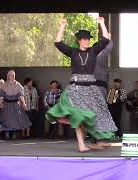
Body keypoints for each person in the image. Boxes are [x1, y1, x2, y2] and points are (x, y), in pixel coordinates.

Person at [46, 17, 117, 152]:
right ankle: (81, 144)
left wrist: (102, 23)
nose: (87, 41)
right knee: (77, 116)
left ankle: (99, 140)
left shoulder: (93, 51)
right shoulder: (73, 52)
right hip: (75, 89)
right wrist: (62, 26)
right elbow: (58, 42)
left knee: (94, 115)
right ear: (79, 40)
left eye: (88, 39)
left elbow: (106, 39)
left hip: (90, 89)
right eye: (84, 39)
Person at [0, 70, 31, 139]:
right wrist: (1, 103)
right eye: (10, 75)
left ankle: (14, 134)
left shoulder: (18, 85)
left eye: (13, 75)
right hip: (7, 105)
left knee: (16, 120)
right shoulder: (4, 85)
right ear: (8, 76)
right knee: (6, 119)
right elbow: (1, 96)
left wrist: (24, 103)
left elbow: (21, 95)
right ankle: (7, 134)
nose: (12, 77)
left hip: (15, 105)